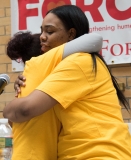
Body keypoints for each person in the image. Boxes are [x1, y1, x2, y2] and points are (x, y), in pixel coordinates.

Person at [4, 5, 131, 160]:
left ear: (71, 34)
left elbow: (24, 110)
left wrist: (7, 109)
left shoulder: (79, 61)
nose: (42, 37)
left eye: (50, 31)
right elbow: (22, 121)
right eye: (42, 31)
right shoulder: (57, 69)